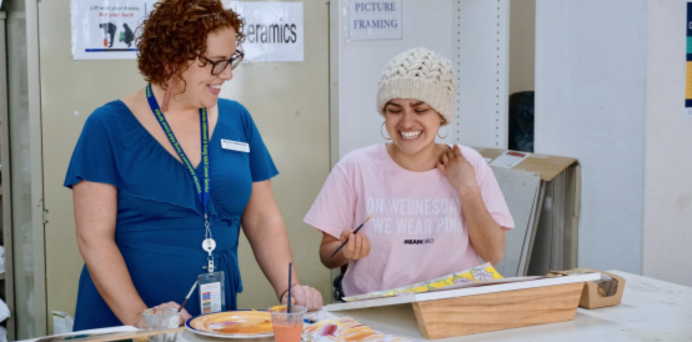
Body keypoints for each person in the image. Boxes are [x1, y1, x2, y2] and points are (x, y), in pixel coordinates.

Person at [65, 0, 321, 330]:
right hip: (128, 323)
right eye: (216, 63)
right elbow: (94, 238)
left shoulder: (236, 119)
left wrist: (289, 289)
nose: (227, 75)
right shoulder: (107, 126)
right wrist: (140, 317)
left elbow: (263, 217)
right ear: (172, 60)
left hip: (211, 321)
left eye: (231, 61)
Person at [304, 47, 515, 297]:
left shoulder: (469, 163)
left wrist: (467, 188)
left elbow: (493, 255)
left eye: (420, 110)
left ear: (442, 115)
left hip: (452, 311)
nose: (406, 122)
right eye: (394, 110)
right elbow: (327, 255)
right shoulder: (355, 167)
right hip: (375, 314)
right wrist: (345, 251)